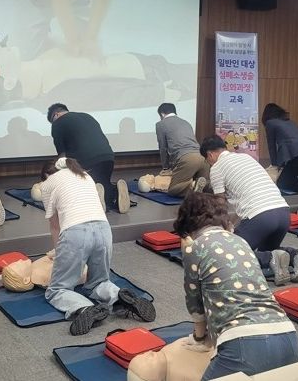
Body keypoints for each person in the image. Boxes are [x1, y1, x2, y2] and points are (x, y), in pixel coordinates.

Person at [173, 192, 298, 379]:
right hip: (288, 336)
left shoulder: (195, 247)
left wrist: (199, 338)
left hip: (244, 343)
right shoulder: (241, 242)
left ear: (187, 226)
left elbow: (194, 300)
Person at [40, 157, 155, 335]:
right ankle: (118, 296)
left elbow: (55, 226)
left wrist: (58, 253)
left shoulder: (48, 184)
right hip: (104, 230)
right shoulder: (83, 175)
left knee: (57, 290)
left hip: (75, 233)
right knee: (98, 282)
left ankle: (84, 308)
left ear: (47, 176)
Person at [199, 135, 298, 286]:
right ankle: (295, 255)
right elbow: (246, 204)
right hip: (283, 214)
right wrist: (232, 226)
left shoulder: (217, 168)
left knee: (229, 253)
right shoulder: (246, 157)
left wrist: (221, 232)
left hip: (261, 219)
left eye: (207, 160)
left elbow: (220, 206)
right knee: (267, 250)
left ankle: (271, 259)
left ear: (210, 155)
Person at [47, 103, 130, 213]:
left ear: (56, 114)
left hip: (85, 162)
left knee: (80, 189)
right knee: (103, 183)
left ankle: (94, 198)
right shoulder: (87, 116)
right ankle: (115, 192)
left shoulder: (57, 123)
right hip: (108, 157)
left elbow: (62, 156)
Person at [262, 103, 298, 195]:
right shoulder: (291, 122)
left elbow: (271, 146)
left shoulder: (270, 123)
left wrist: (274, 164)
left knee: (282, 183)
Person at [155, 102, 209, 197]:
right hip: (203, 157)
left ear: (162, 114)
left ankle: (192, 185)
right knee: (205, 187)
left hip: (187, 158)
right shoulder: (186, 122)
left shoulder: (161, 124)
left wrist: (165, 167)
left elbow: (163, 147)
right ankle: (201, 186)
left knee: (173, 189)